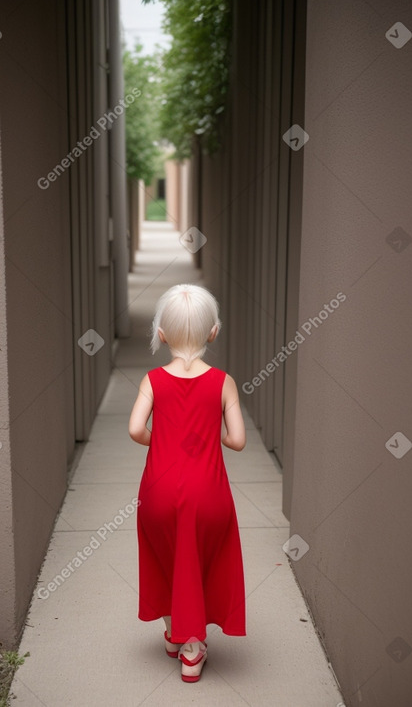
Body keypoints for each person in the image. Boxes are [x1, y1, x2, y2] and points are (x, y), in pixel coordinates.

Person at [128, 283, 247, 683]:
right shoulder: (223, 382)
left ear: (160, 334)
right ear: (213, 332)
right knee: (201, 559)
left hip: (158, 491)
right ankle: (194, 647)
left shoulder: (152, 380)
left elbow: (134, 429)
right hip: (208, 492)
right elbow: (238, 440)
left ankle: (175, 633)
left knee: (163, 556)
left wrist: (160, 439)